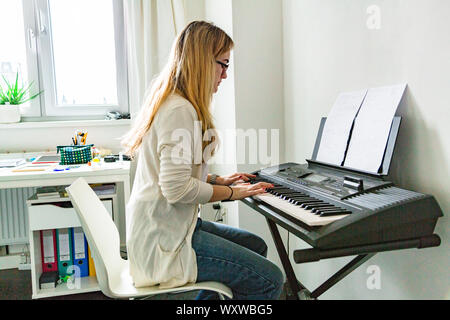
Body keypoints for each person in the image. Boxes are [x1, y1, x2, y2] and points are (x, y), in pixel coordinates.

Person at [122, 21, 284, 300]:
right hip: (165, 243)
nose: (225, 74)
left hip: (171, 228)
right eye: (223, 65)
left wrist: (217, 180)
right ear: (201, 61)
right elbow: (176, 189)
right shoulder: (179, 110)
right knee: (271, 280)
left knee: (254, 245)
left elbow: (173, 174)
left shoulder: (177, 103)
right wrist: (232, 193)